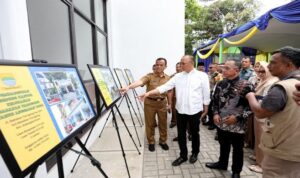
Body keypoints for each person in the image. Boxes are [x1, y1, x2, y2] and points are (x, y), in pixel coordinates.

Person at [139, 55, 210, 166]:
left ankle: (195, 153)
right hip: (180, 110)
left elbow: (206, 92)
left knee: (195, 133)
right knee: (181, 134)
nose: (180, 65)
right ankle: (183, 156)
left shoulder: (202, 76)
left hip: (195, 110)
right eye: (180, 63)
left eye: (183, 63)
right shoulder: (178, 77)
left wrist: (206, 107)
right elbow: (164, 87)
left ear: (191, 63)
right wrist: (148, 93)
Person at [245, 46, 300, 177]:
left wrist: (250, 96)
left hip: (282, 151)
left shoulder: (281, 87)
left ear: (288, 65)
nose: (269, 66)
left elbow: (261, 112)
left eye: (273, 62)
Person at [205, 59, 254, 178]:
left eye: (227, 68)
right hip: (221, 122)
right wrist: (215, 114)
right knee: (223, 144)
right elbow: (215, 101)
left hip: (237, 125)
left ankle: (236, 171)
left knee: (237, 149)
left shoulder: (246, 85)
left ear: (236, 70)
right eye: (224, 68)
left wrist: (238, 117)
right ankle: (222, 163)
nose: (223, 70)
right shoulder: (221, 83)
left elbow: (251, 108)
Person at [120, 58, 171, 152]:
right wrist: (128, 87)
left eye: (161, 65)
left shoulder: (168, 78)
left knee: (163, 123)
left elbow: (169, 92)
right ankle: (151, 142)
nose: (158, 66)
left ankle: (163, 141)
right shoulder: (149, 76)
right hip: (150, 103)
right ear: (155, 65)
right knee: (150, 123)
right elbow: (140, 82)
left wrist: (170, 104)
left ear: (165, 66)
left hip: (162, 103)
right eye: (157, 64)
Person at [248, 62, 278, 174]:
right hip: (258, 114)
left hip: (263, 116)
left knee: (263, 140)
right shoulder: (264, 81)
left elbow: (265, 102)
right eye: (258, 71)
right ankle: (258, 157)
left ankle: (261, 165)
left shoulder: (271, 83)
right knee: (258, 139)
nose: (259, 73)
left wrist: (251, 98)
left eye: (262, 71)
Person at [169, 62, 182, 128]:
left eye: (179, 67)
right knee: (174, 110)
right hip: (174, 97)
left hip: (182, 98)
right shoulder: (172, 76)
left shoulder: (185, 76)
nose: (177, 68)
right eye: (176, 67)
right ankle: (173, 121)